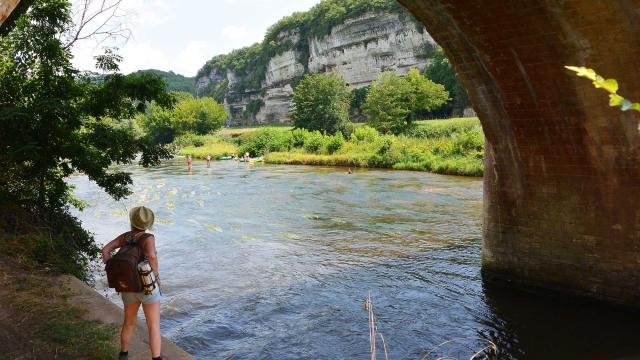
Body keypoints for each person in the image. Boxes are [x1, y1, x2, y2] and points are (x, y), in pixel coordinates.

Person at [102, 206, 162, 360]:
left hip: (127, 285)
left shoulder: (125, 237)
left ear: (131, 221)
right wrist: (156, 276)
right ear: (149, 223)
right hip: (147, 286)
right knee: (153, 325)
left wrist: (112, 270)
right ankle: (156, 358)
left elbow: (105, 250)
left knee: (128, 322)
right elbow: (152, 257)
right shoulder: (149, 238)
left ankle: (123, 355)